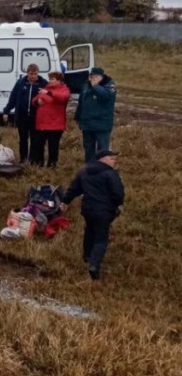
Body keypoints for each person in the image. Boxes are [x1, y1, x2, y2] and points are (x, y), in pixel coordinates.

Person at [61, 149, 125, 280]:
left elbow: (74, 189)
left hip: (87, 209)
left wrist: (65, 201)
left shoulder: (84, 171)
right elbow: (118, 194)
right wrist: (116, 206)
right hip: (103, 210)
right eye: (112, 158)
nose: (114, 161)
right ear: (103, 160)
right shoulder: (110, 174)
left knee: (89, 230)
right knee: (101, 238)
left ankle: (87, 256)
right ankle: (94, 265)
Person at [3, 63, 48, 165]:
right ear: (27, 73)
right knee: (23, 139)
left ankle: (33, 160)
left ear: (38, 73)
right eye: (31, 74)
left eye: (35, 74)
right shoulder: (20, 83)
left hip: (36, 117)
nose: (33, 76)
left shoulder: (43, 84)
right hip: (22, 117)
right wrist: (6, 111)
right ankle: (23, 158)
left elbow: (49, 98)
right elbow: (13, 98)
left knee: (35, 139)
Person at [75, 66, 117, 163]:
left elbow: (105, 96)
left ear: (101, 77)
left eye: (95, 77)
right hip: (87, 124)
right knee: (88, 148)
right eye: (91, 76)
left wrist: (95, 86)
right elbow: (81, 102)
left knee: (102, 149)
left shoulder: (109, 85)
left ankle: (103, 167)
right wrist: (78, 117)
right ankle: (89, 168)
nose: (93, 79)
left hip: (102, 124)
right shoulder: (86, 85)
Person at [32, 70, 70, 168]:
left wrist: (49, 93)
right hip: (42, 123)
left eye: (52, 79)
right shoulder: (46, 88)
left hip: (55, 124)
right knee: (38, 145)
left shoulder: (63, 89)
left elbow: (63, 97)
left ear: (59, 80)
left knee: (53, 146)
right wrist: (37, 101)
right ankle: (38, 164)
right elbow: (35, 99)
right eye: (50, 79)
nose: (50, 81)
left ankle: (52, 165)